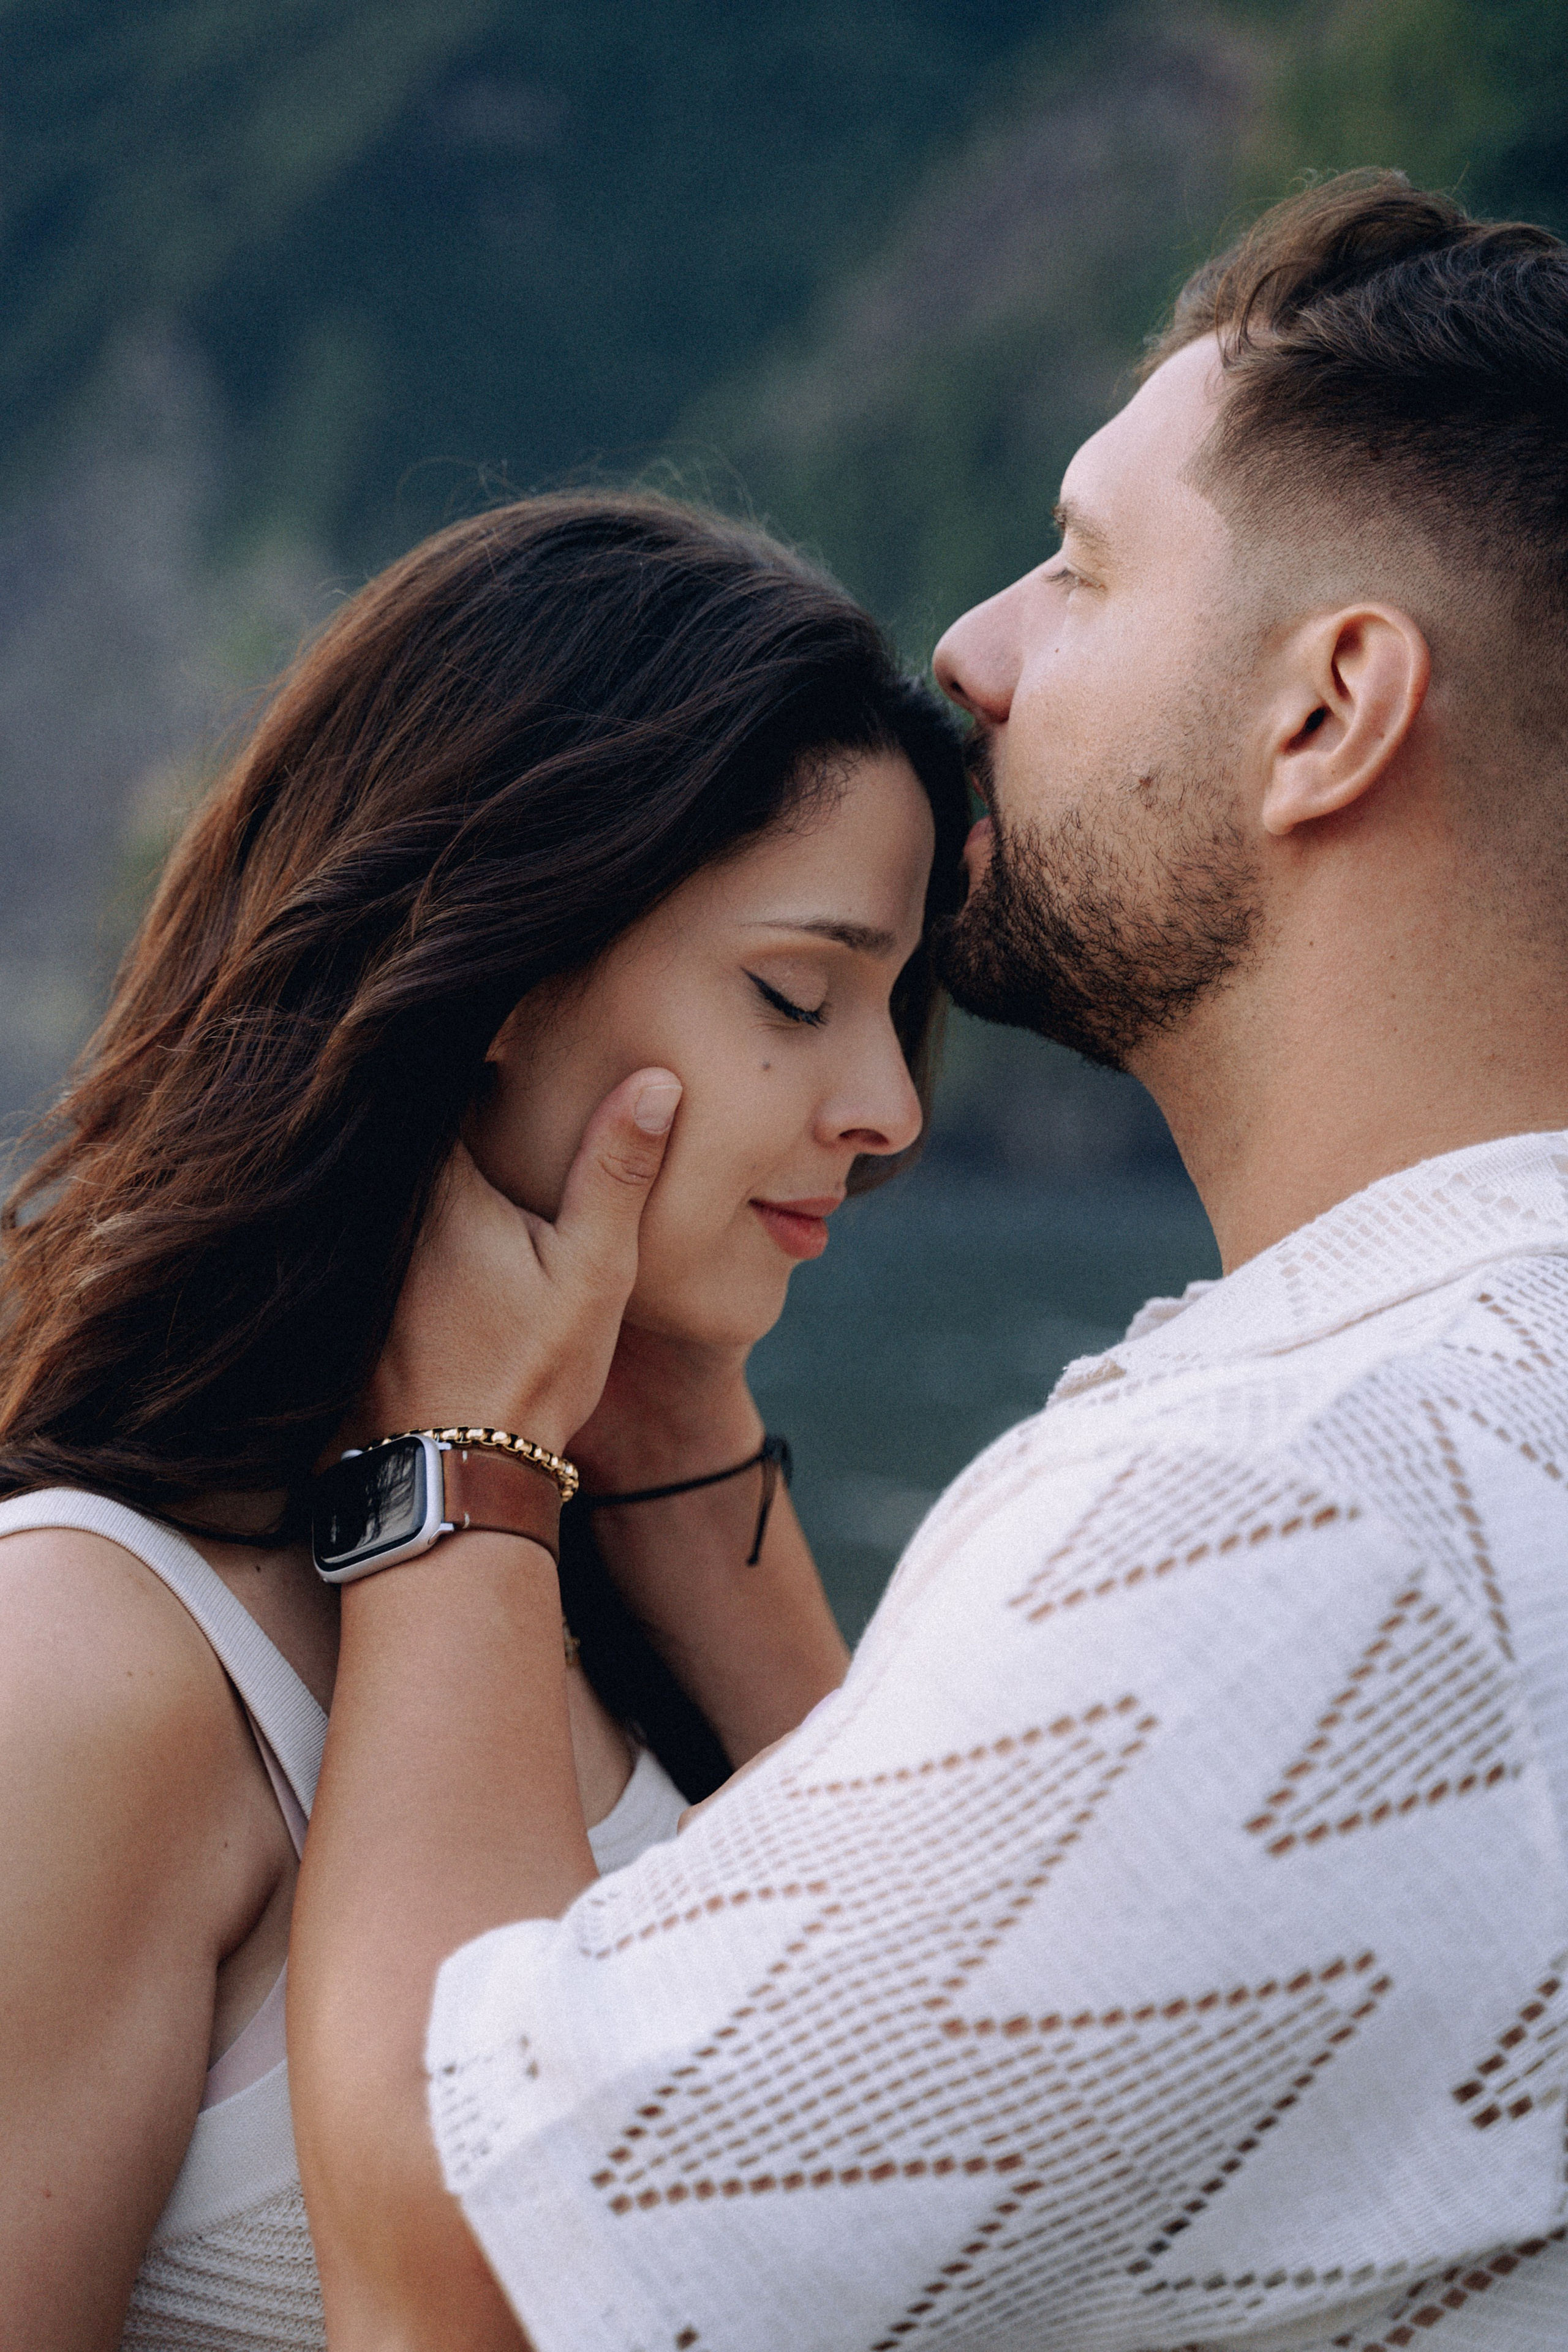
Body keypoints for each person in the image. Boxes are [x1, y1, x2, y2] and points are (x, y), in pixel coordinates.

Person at [288, 170, 1568, 2351]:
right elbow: (950, 2029)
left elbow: (474, 2270)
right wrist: (682, 1441)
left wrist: (467, 1471)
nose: (969, 649)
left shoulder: (1324, 1493)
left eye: (1083, 567)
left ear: (1331, 710)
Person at [0, 490, 969, 2348]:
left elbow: (946, 2116)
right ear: (505, 973)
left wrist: (654, 1459)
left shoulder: (603, 1576)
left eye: (896, 1008)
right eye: (797, 991)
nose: (887, 1107)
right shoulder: (92, 1654)